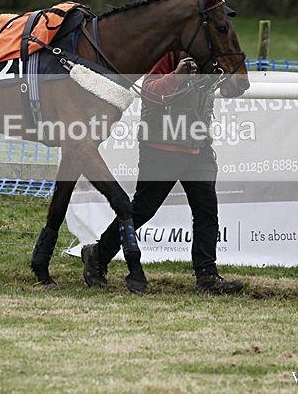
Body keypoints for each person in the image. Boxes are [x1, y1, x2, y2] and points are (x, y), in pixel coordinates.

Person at [81, 51, 244, 295]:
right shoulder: (168, 53)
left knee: (206, 211)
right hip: (160, 149)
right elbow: (149, 92)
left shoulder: (212, 54)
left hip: (198, 149)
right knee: (142, 210)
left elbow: (232, 89)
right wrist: (177, 77)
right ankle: (97, 255)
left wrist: (235, 74)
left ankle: (207, 276)